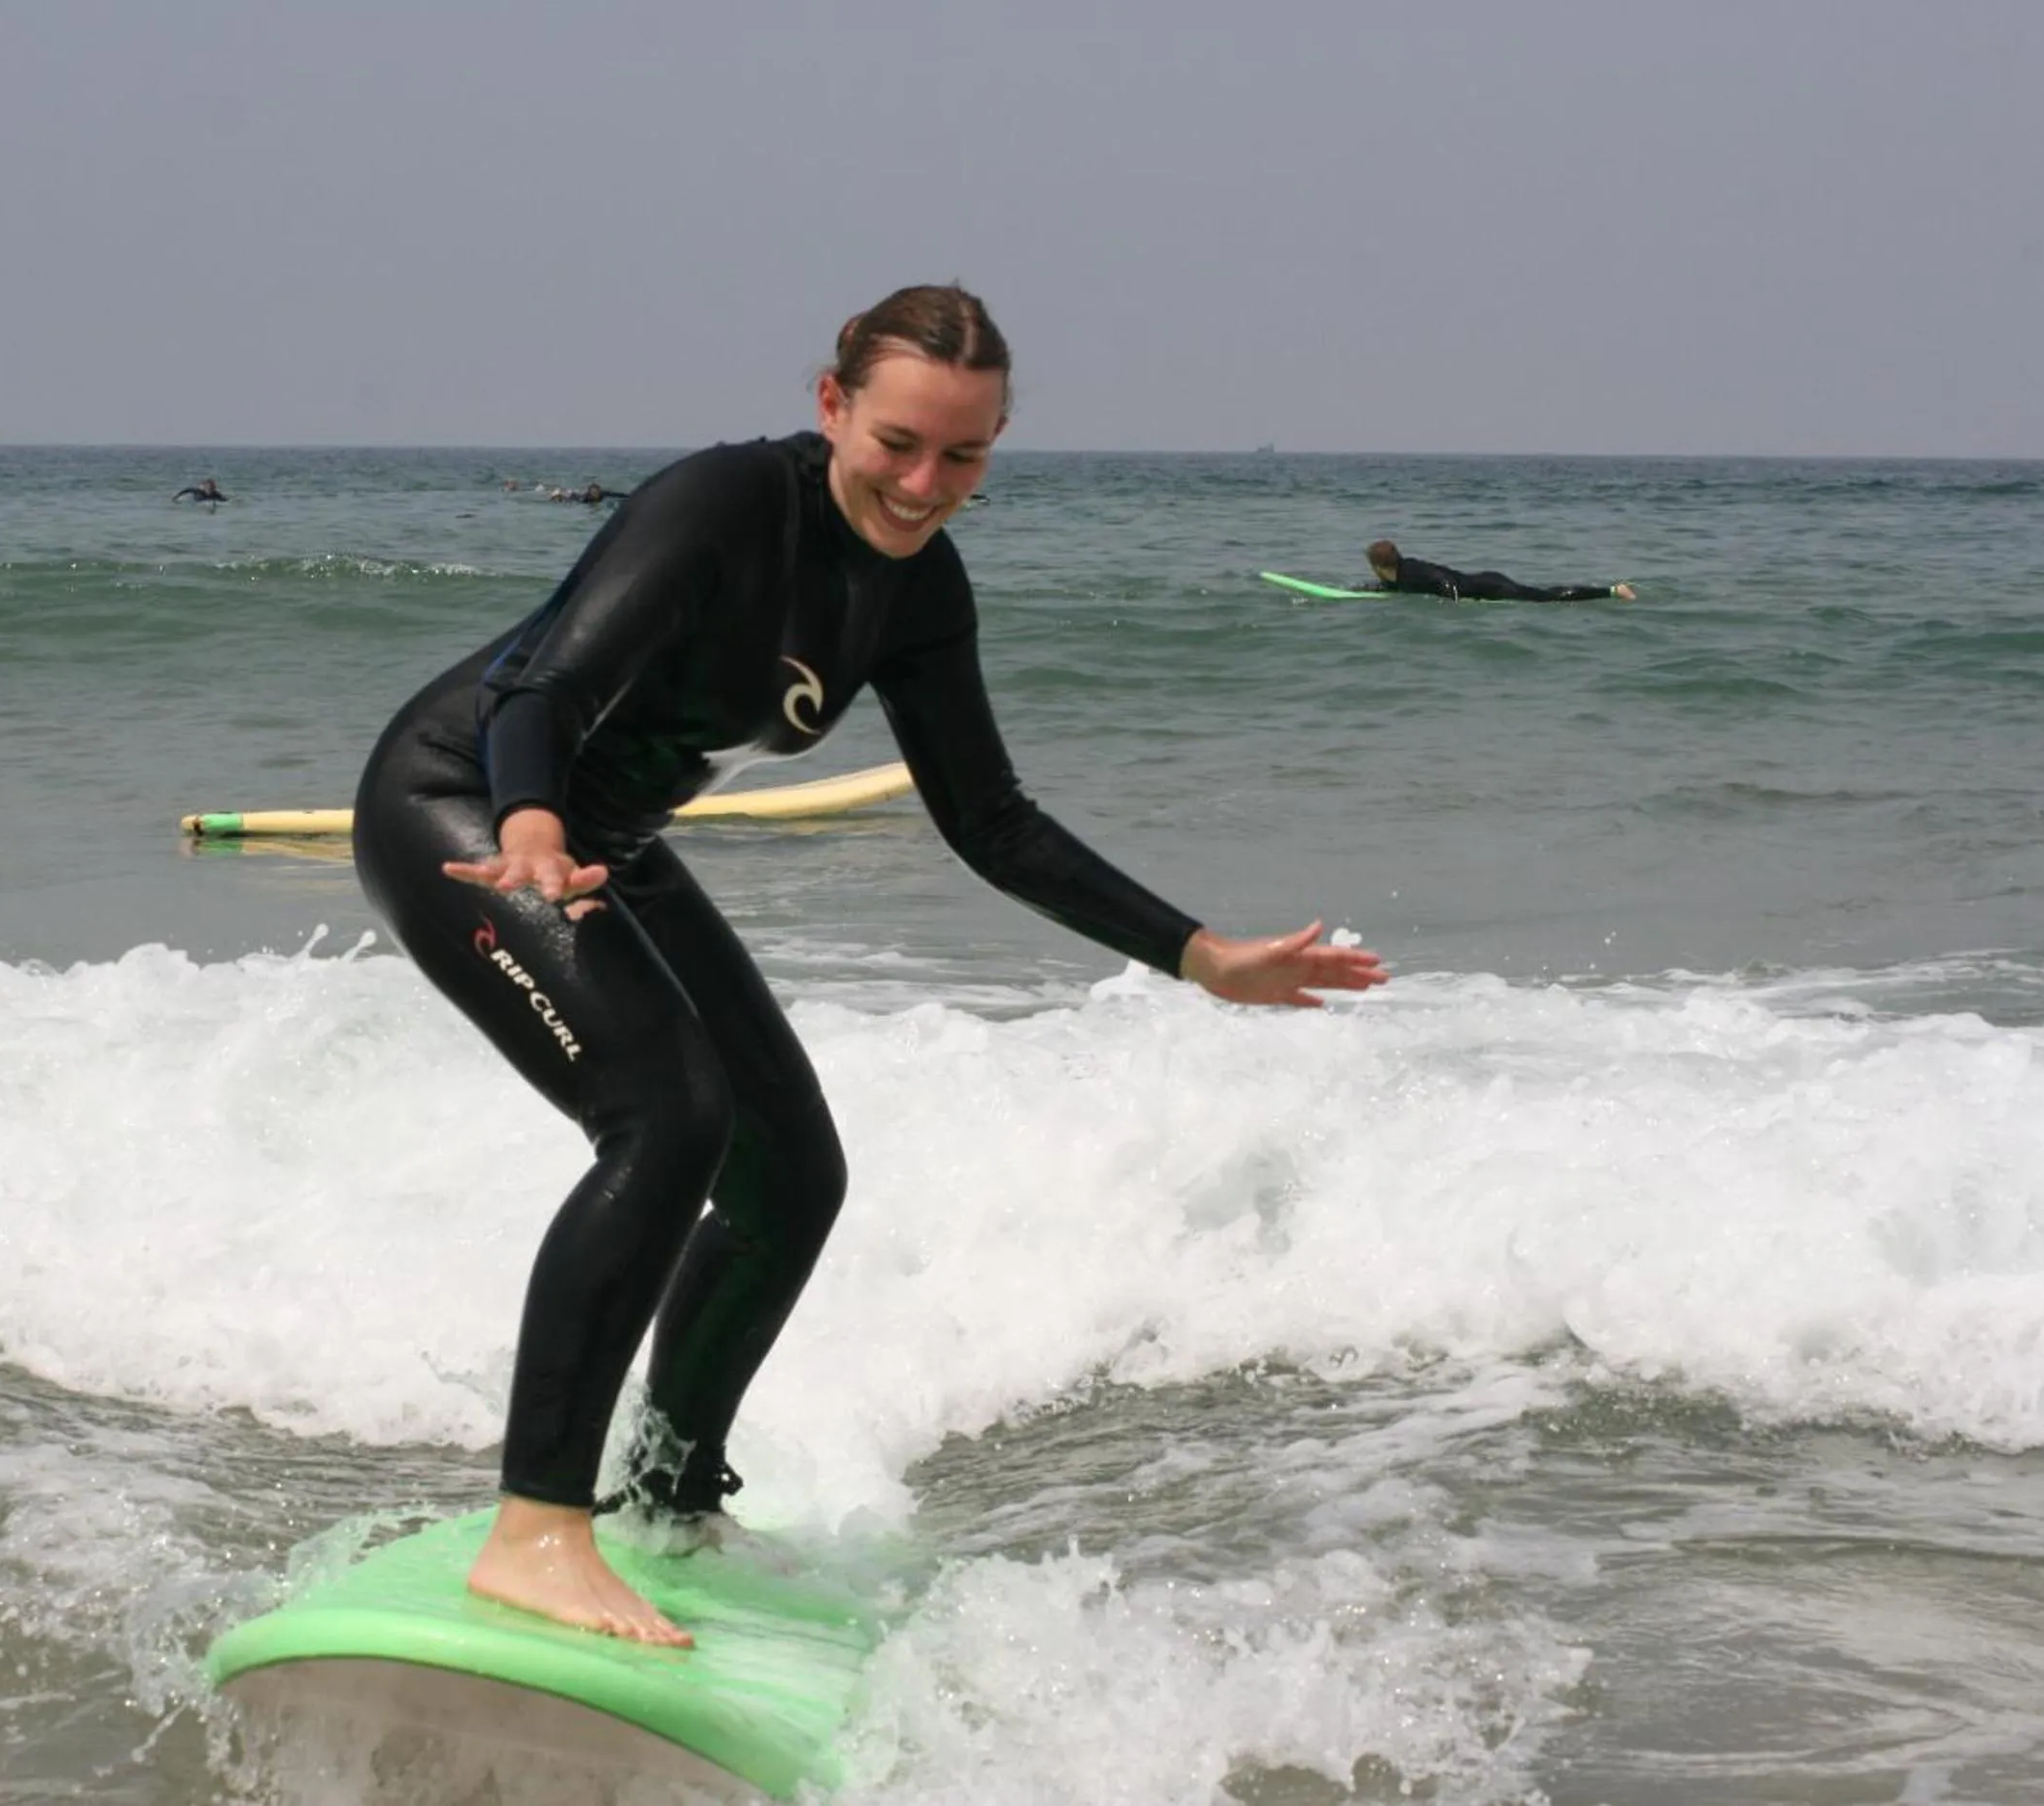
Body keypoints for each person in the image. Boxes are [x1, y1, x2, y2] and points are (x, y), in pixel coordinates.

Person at [349, 283, 1386, 1647]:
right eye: (899, 440)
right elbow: (536, 686)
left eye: (965, 455)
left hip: (605, 841)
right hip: (468, 812)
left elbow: (991, 820)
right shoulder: (722, 505)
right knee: (666, 1118)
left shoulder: (917, 591)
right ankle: (536, 1529)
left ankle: (666, 1499)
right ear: (831, 403)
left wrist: (1198, 954)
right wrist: (533, 820)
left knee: (790, 1176)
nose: (924, 482)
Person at [1366, 539, 1635, 602]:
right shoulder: (1399, 576)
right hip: (1485, 580)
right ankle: (1611, 591)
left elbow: (1443, 581)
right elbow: (1390, 588)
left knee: (1547, 599)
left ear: (1378, 567)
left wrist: (1454, 604)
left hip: (1490, 587)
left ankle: (1612, 591)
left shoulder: (1412, 571)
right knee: (1542, 596)